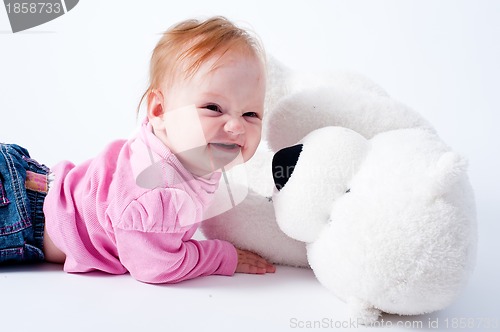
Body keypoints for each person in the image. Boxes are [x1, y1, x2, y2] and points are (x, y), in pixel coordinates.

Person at [0, 16, 276, 283]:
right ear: (160, 110)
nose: (236, 127)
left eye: (251, 114)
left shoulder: (174, 148)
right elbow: (155, 266)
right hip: (16, 214)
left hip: (26, 184)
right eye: (213, 108)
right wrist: (218, 257)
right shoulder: (158, 193)